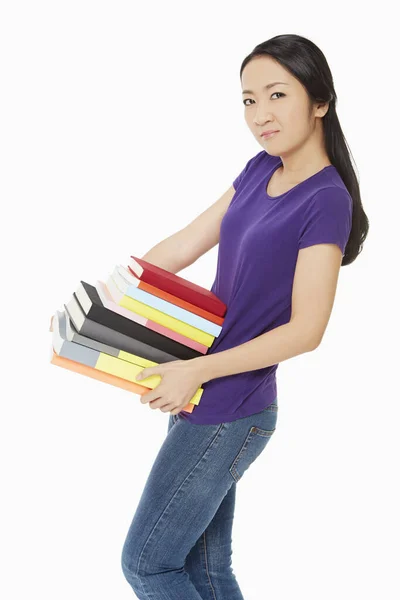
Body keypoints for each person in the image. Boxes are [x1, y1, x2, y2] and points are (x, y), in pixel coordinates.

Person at [120, 34, 369, 599]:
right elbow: (184, 244)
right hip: (198, 390)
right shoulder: (260, 168)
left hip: (230, 408)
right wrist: (107, 296)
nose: (260, 115)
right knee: (207, 571)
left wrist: (198, 373)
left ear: (320, 102)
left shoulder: (326, 200)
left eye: (277, 95)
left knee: (148, 565)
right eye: (248, 100)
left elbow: (308, 331)